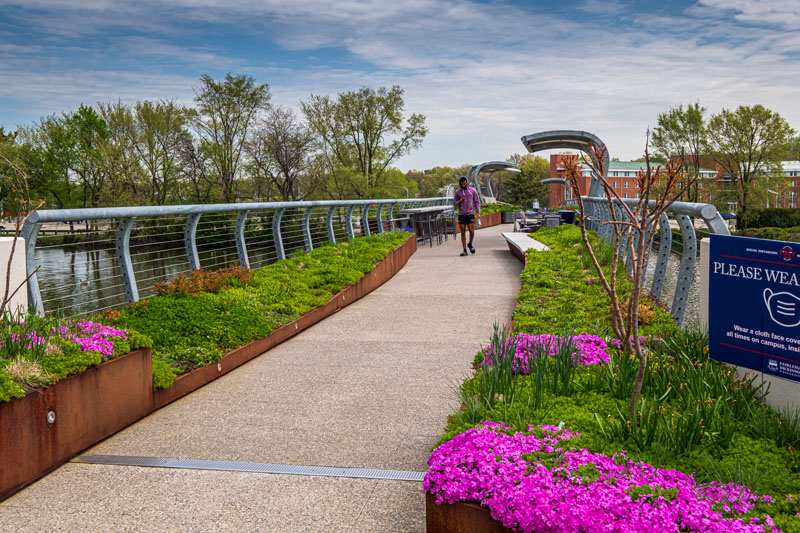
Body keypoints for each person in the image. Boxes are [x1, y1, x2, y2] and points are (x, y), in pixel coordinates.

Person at [453, 176, 481, 256]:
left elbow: (477, 202)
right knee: (462, 232)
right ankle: (465, 250)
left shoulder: (472, 190)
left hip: (470, 213)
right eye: (461, 184)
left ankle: (470, 244)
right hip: (461, 214)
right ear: (460, 184)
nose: (463, 185)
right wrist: (460, 201)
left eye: (464, 183)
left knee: (472, 232)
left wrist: (478, 212)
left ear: (467, 182)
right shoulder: (457, 192)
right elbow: (455, 203)